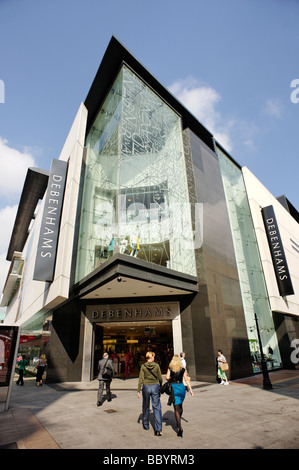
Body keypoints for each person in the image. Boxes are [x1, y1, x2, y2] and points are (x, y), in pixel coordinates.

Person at [166, 354, 194, 437]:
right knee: (180, 406)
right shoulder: (182, 369)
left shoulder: (170, 368)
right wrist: (191, 390)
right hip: (181, 387)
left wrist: (171, 378)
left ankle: (179, 427)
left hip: (174, 388)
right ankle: (179, 421)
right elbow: (187, 379)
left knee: (176, 408)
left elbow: (167, 377)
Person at [137, 351, 163, 436]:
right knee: (156, 407)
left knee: (146, 405)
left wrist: (138, 390)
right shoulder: (156, 366)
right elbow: (160, 377)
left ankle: (145, 425)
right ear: (151, 357)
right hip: (155, 386)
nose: (154, 358)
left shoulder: (143, 366)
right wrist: (161, 384)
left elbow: (141, 378)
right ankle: (158, 429)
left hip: (146, 386)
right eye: (153, 356)